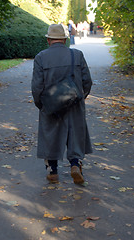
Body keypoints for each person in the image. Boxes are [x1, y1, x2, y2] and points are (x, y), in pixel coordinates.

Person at [32, 24, 92, 184]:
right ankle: (75, 164)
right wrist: (79, 97)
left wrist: (42, 105)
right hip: (74, 102)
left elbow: (37, 86)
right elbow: (87, 81)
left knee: (50, 134)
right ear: (65, 39)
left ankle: (52, 170)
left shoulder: (40, 57)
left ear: (48, 40)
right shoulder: (77, 55)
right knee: (75, 133)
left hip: (50, 103)